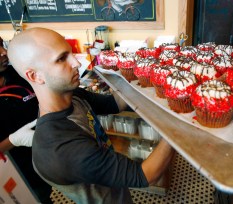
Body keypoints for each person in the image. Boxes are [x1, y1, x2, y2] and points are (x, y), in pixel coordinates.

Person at [8, 27, 175, 204]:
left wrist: (144, 77)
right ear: (35, 76)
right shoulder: (61, 148)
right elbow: (145, 175)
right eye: (62, 59)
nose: (77, 63)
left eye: (71, 53)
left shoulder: (72, 96)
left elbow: (114, 104)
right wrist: (175, 128)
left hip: (118, 193)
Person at [0, 36, 53, 203]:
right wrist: (14, 140)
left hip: (44, 161)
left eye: (2, 45)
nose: (3, 53)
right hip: (17, 175)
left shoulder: (14, 73)